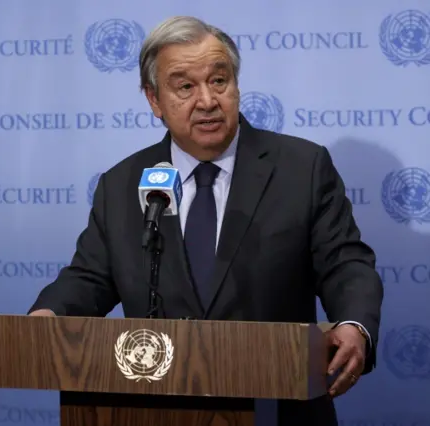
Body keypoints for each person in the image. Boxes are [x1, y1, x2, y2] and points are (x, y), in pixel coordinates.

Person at [28, 15, 383, 424]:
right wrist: (48, 316)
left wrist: (355, 323)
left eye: (219, 80)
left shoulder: (301, 168)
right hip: (155, 408)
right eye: (185, 86)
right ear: (154, 99)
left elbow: (345, 263)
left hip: (279, 407)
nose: (208, 100)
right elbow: (90, 277)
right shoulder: (122, 183)